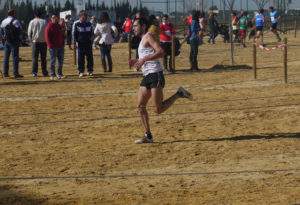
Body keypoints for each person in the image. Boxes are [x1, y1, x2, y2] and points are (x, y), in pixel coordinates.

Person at [128, 17, 193, 144]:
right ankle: (148, 135)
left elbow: (161, 52)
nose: (133, 28)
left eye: (135, 26)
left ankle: (179, 94)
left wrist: (144, 59)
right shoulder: (142, 40)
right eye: (133, 26)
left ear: (143, 26)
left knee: (157, 109)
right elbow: (146, 57)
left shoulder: (148, 37)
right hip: (147, 76)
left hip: (156, 74)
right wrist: (137, 61)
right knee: (140, 106)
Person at [0, 9, 23, 78]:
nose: (16, 14)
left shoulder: (4, 21)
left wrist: (3, 38)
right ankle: (15, 73)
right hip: (14, 41)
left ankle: (5, 73)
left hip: (7, 41)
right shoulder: (15, 21)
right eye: (15, 13)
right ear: (13, 14)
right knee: (15, 57)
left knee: (6, 57)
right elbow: (20, 29)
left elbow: (1, 30)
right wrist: (20, 39)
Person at [72, 10, 94, 77]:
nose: (86, 17)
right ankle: (80, 71)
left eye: (86, 15)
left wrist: (92, 37)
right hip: (80, 43)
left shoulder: (89, 24)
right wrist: (74, 42)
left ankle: (90, 70)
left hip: (88, 43)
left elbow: (92, 32)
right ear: (81, 16)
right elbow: (73, 33)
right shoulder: (76, 23)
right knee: (80, 58)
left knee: (90, 57)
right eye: (84, 15)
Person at [28, 9, 49, 77]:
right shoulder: (45, 22)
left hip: (35, 42)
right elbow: (47, 32)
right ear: (41, 15)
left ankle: (34, 72)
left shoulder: (32, 22)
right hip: (43, 42)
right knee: (43, 58)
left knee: (35, 58)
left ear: (35, 15)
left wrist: (31, 40)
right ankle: (44, 72)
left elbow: (29, 32)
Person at [45, 14, 65, 80]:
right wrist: (50, 45)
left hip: (60, 45)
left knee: (60, 60)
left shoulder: (59, 26)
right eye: (53, 18)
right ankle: (52, 74)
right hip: (53, 46)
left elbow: (62, 34)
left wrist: (63, 44)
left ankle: (59, 74)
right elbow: (47, 37)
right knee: (53, 61)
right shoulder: (49, 26)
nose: (55, 19)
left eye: (56, 18)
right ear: (51, 18)